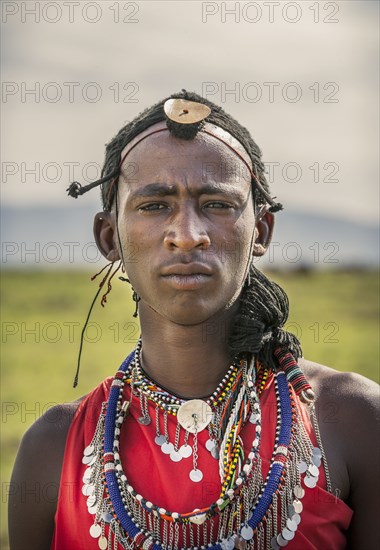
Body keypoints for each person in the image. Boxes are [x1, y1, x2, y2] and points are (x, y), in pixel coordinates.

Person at [9, 91, 379, 550]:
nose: (187, 235)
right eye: (154, 205)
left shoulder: (354, 421)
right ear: (110, 238)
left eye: (217, 204)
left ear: (260, 231)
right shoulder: (53, 448)